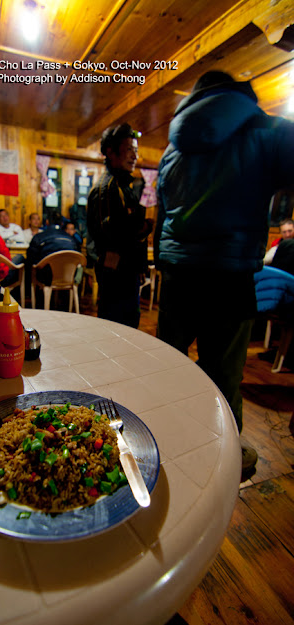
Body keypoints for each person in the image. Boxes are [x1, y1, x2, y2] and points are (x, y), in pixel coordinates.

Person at [154, 70, 294, 477]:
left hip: (179, 276)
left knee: (167, 363)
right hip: (232, 278)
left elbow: (164, 216)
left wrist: (167, 263)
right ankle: (223, 460)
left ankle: (163, 440)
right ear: (239, 95)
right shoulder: (267, 131)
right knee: (224, 375)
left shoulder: (172, 149)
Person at [87, 123, 154, 328]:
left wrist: (140, 266)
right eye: (129, 150)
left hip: (127, 273)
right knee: (114, 329)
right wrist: (143, 229)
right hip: (116, 277)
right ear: (110, 152)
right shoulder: (107, 188)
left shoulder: (125, 185)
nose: (134, 156)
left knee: (129, 327)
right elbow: (110, 237)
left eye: (136, 151)